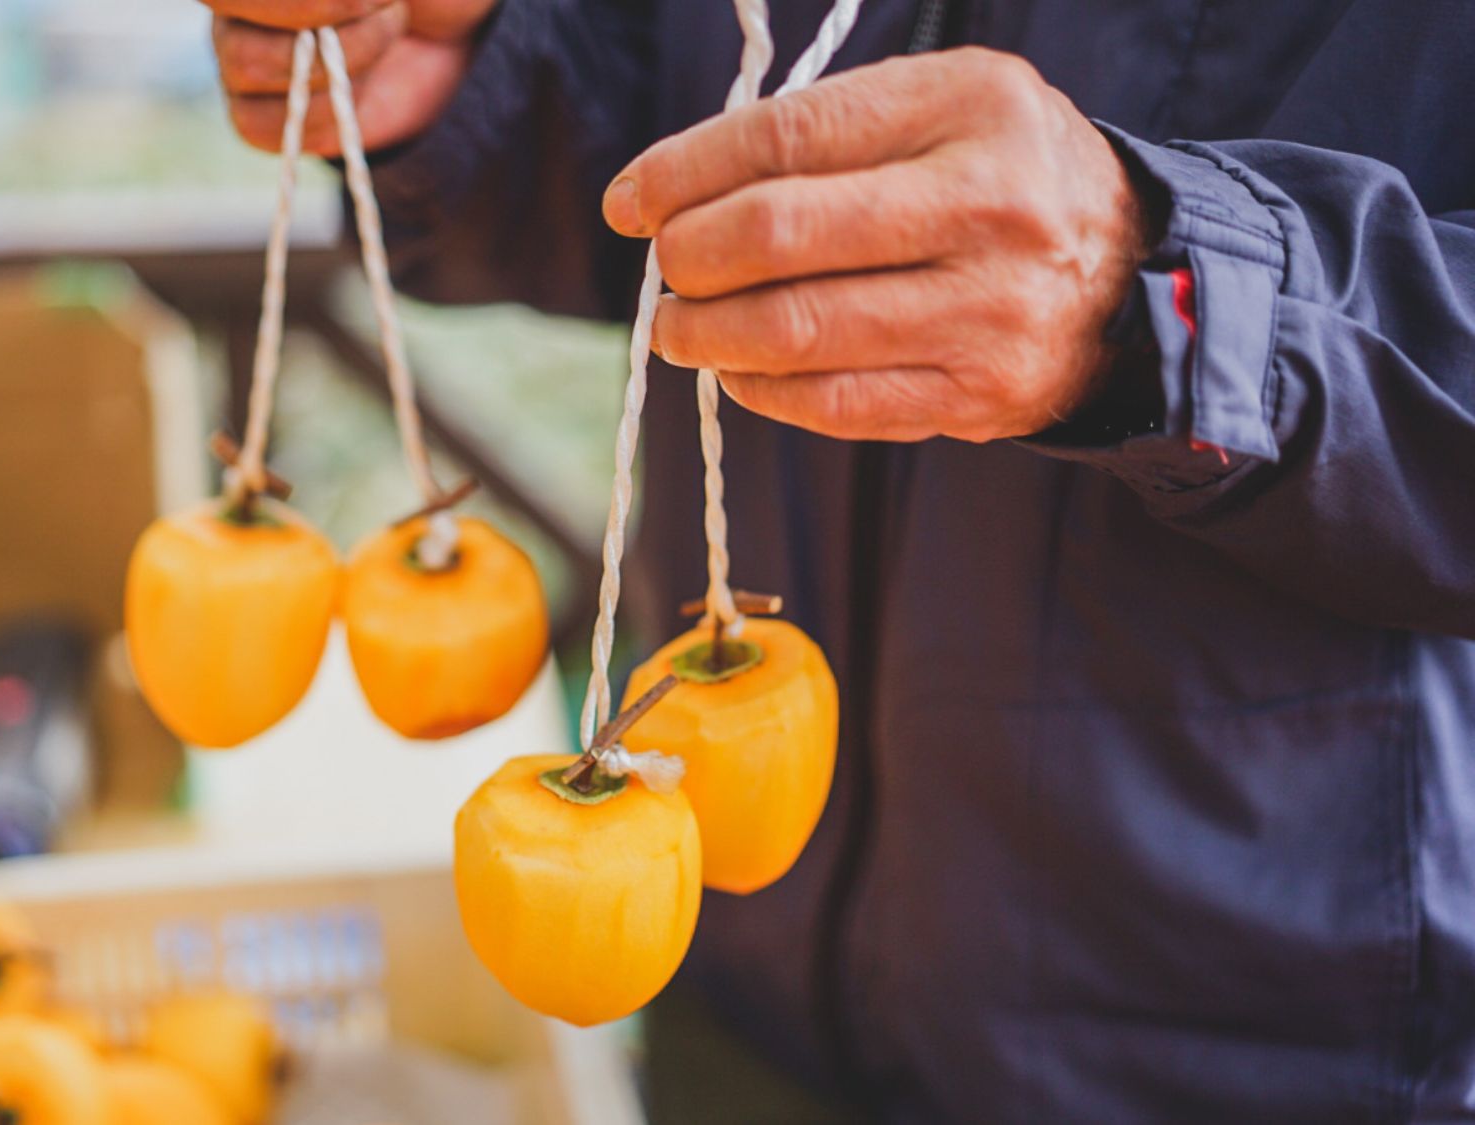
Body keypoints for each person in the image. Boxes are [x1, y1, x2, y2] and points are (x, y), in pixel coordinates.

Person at [200, 0, 1475, 1120]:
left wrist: (1169, 292)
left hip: (1262, 1052)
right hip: (724, 977)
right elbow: (664, 116)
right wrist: (486, 72)